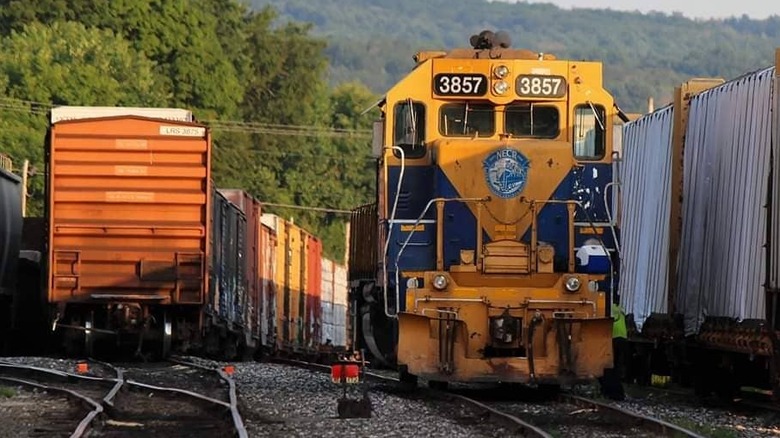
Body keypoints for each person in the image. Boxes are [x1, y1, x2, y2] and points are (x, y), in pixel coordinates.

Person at [599, 294, 627, 400]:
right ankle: (615, 390)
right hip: (623, 339)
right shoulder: (621, 309)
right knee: (616, 366)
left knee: (609, 366)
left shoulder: (610, 309)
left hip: (613, 338)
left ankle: (610, 390)